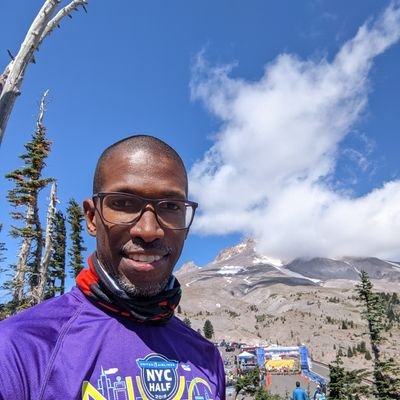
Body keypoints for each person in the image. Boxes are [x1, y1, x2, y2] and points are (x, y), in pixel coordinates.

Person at [0, 135, 226, 400]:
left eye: (171, 207)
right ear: (92, 217)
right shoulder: (20, 348)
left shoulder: (205, 357)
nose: (149, 230)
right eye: (124, 203)